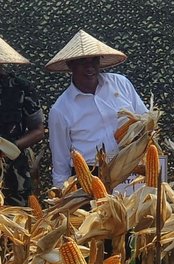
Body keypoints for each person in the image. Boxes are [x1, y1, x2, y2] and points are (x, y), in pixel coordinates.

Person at [46, 29, 148, 188]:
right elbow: (60, 160)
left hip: (131, 168)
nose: (90, 67)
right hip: (90, 177)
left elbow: (145, 122)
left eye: (94, 61)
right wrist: (61, 195)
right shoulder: (60, 110)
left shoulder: (121, 84)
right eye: (82, 62)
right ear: (70, 65)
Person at [0, 37, 44, 206]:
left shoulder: (21, 88)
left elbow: (38, 130)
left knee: (17, 225)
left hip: (15, 176)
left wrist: (8, 148)